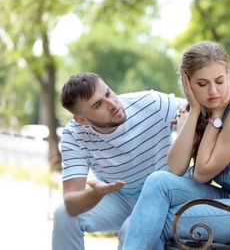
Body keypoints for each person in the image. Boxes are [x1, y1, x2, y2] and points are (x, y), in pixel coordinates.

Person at [122, 40, 230, 250]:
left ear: (228, 76)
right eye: (202, 84)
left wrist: (217, 117)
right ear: (187, 83)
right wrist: (194, 111)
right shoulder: (201, 110)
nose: (213, 91)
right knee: (157, 181)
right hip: (229, 198)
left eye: (220, 81)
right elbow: (175, 169)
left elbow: (201, 174)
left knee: (151, 222)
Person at [52, 72, 184, 249]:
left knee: (130, 229)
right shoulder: (74, 134)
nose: (112, 104)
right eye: (98, 104)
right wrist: (96, 193)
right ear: (82, 119)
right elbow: (71, 202)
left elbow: (200, 110)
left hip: (164, 198)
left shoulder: (152, 103)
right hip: (120, 196)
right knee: (64, 215)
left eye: (108, 93)